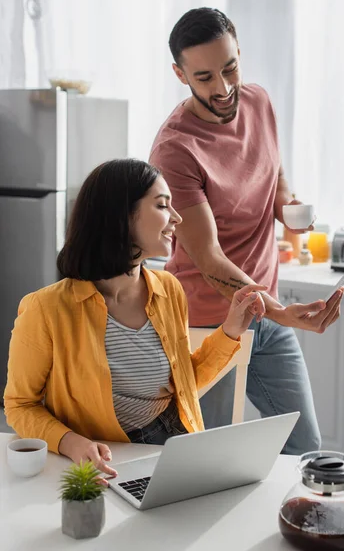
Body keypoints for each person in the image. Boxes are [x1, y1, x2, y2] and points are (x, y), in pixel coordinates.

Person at [150, 7, 343, 454]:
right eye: (204, 77)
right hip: (206, 326)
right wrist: (279, 311)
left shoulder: (258, 101)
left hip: (266, 315)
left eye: (230, 67)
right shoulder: (175, 148)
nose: (223, 88)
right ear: (180, 74)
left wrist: (288, 209)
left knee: (304, 448)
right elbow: (208, 257)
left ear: (239, 50)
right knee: (209, 459)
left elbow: (274, 175)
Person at [4, 158, 266, 480]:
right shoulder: (45, 310)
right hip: (108, 456)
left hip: (176, 440)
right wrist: (71, 443)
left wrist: (231, 330)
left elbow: (182, 383)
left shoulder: (168, 289)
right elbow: (20, 405)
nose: (177, 218)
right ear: (121, 215)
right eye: (162, 205)